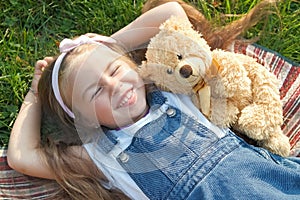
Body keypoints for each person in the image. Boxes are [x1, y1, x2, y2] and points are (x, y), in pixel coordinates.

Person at [7, 0, 300, 200]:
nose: (114, 85)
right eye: (94, 91)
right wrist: (35, 92)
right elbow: (21, 156)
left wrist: (105, 46)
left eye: (115, 69)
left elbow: (171, 12)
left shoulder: (174, 89)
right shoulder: (100, 156)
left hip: (272, 180)